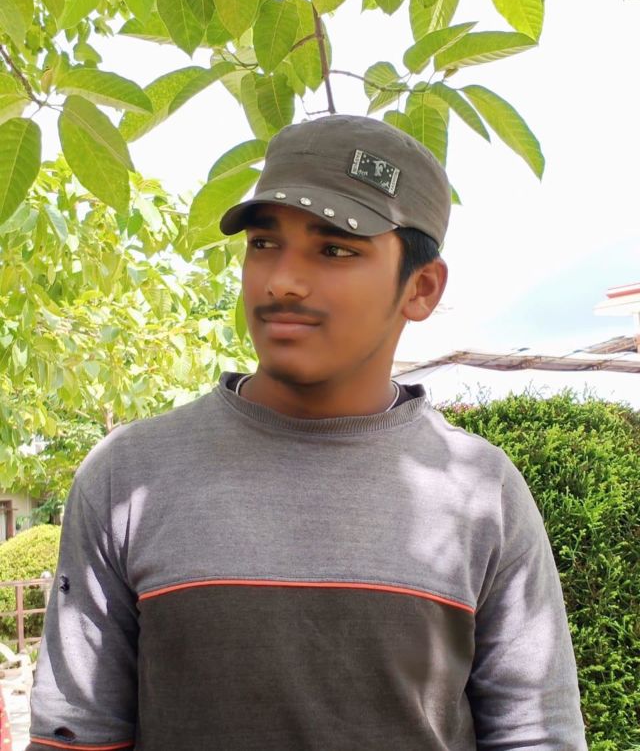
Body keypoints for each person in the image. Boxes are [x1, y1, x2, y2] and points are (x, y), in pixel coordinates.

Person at [27, 115, 587, 750]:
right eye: (264, 243)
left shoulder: (482, 492)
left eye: (335, 249)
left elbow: (535, 734)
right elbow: (75, 734)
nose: (281, 281)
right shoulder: (128, 477)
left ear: (422, 287)